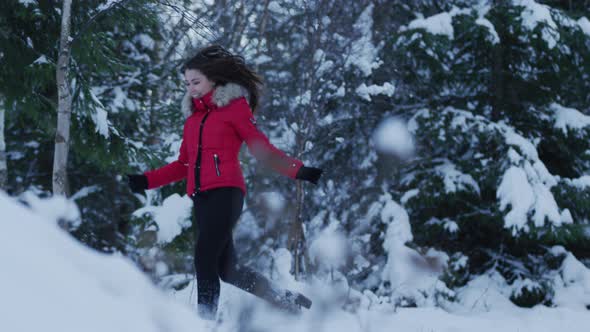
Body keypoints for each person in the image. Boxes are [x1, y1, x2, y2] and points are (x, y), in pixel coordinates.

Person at [126, 45, 322, 320]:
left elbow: (260, 149)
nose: (191, 88)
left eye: (196, 82)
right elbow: (183, 165)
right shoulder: (193, 120)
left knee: (204, 258)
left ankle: (203, 322)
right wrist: (145, 181)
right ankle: (288, 300)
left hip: (226, 192)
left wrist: (299, 171)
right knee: (227, 268)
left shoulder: (234, 109)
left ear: (214, 80)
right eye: (187, 83)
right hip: (202, 198)